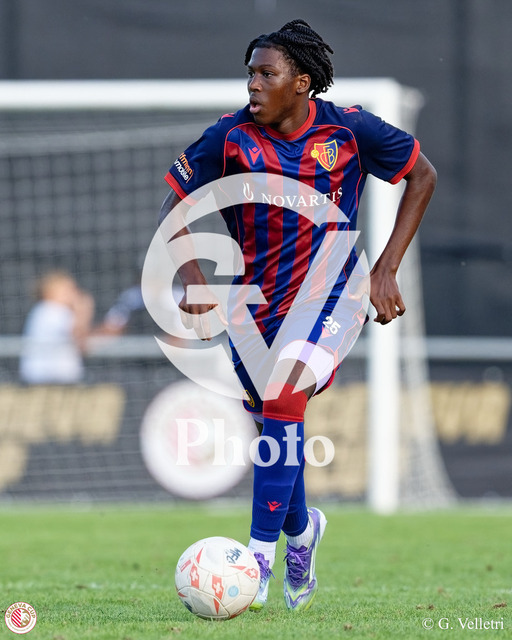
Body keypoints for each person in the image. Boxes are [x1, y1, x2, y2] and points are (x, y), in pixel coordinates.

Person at [159, 19, 437, 611]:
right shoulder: (229, 137)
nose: (253, 85)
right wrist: (193, 279)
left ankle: (256, 563)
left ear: (302, 82)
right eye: (250, 74)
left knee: (285, 394)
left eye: (267, 74)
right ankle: (301, 532)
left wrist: (386, 268)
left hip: (333, 293)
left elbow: (422, 174)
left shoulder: (349, 129)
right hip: (253, 306)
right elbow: (173, 206)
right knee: (274, 428)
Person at [19, 270, 95, 385]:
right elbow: (79, 336)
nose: (74, 294)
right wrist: (83, 310)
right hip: (50, 382)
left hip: (51, 381)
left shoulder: (43, 310)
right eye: (68, 289)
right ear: (49, 292)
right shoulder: (52, 310)